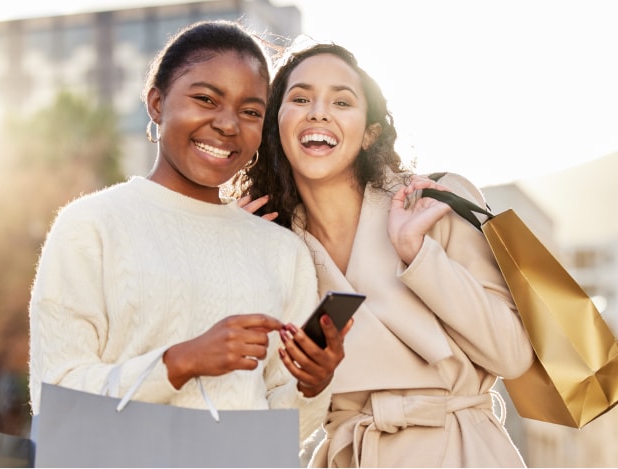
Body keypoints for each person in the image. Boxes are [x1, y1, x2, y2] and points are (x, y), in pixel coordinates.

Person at [28, 21, 351, 452]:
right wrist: (182, 361)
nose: (227, 124)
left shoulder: (281, 251)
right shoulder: (90, 226)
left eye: (250, 111)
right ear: (157, 103)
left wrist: (313, 383)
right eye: (205, 99)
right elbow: (56, 396)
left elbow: (282, 432)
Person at [242, 40, 535, 467]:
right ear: (277, 126)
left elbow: (512, 355)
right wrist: (231, 259)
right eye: (300, 98)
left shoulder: (431, 202)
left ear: (369, 133)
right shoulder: (273, 246)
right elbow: (266, 416)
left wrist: (418, 255)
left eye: (342, 101)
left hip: (460, 453)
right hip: (352, 455)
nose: (318, 111)